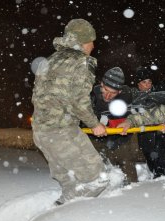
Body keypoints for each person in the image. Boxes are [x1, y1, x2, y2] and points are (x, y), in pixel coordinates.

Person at [32, 19, 109, 205]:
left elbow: (39, 96)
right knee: (98, 178)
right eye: (92, 41)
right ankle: (83, 213)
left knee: (68, 180)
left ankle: (64, 207)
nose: (93, 46)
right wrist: (95, 124)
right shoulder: (81, 61)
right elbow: (78, 101)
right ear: (84, 41)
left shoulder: (50, 59)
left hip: (41, 132)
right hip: (62, 131)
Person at [90, 67, 138, 183]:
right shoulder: (91, 94)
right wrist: (97, 123)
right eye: (105, 90)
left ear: (120, 91)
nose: (107, 96)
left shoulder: (128, 95)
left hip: (120, 138)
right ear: (101, 84)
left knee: (130, 177)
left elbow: (144, 109)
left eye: (113, 93)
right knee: (93, 172)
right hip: (95, 140)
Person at [131, 66, 165, 178]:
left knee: (161, 149)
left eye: (149, 81)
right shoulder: (133, 97)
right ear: (138, 84)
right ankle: (154, 171)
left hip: (161, 130)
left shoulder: (159, 94)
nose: (148, 84)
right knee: (149, 152)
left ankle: (160, 175)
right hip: (144, 131)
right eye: (144, 82)